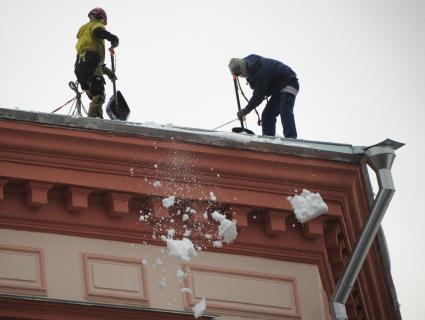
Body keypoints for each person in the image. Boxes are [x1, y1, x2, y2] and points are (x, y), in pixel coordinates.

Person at [228, 55, 299, 138]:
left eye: (240, 75)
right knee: (267, 115)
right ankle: (268, 139)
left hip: (290, 82)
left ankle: (291, 138)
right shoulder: (249, 62)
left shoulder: (259, 73)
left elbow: (258, 96)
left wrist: (245, 110)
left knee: (285, 111)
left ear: (243, 72)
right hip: (279, 89)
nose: (242, 77)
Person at [74, 8, 119, 118]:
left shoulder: (84, 30)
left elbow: (94, 64)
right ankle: (92, 120)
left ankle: (97, 118)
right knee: (99, 94)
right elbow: (98, 31)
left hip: (80, 67)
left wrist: (109, 73)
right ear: (101, 18)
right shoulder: (95, 25)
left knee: (95, 96)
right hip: (91, 62)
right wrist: (113, 38)